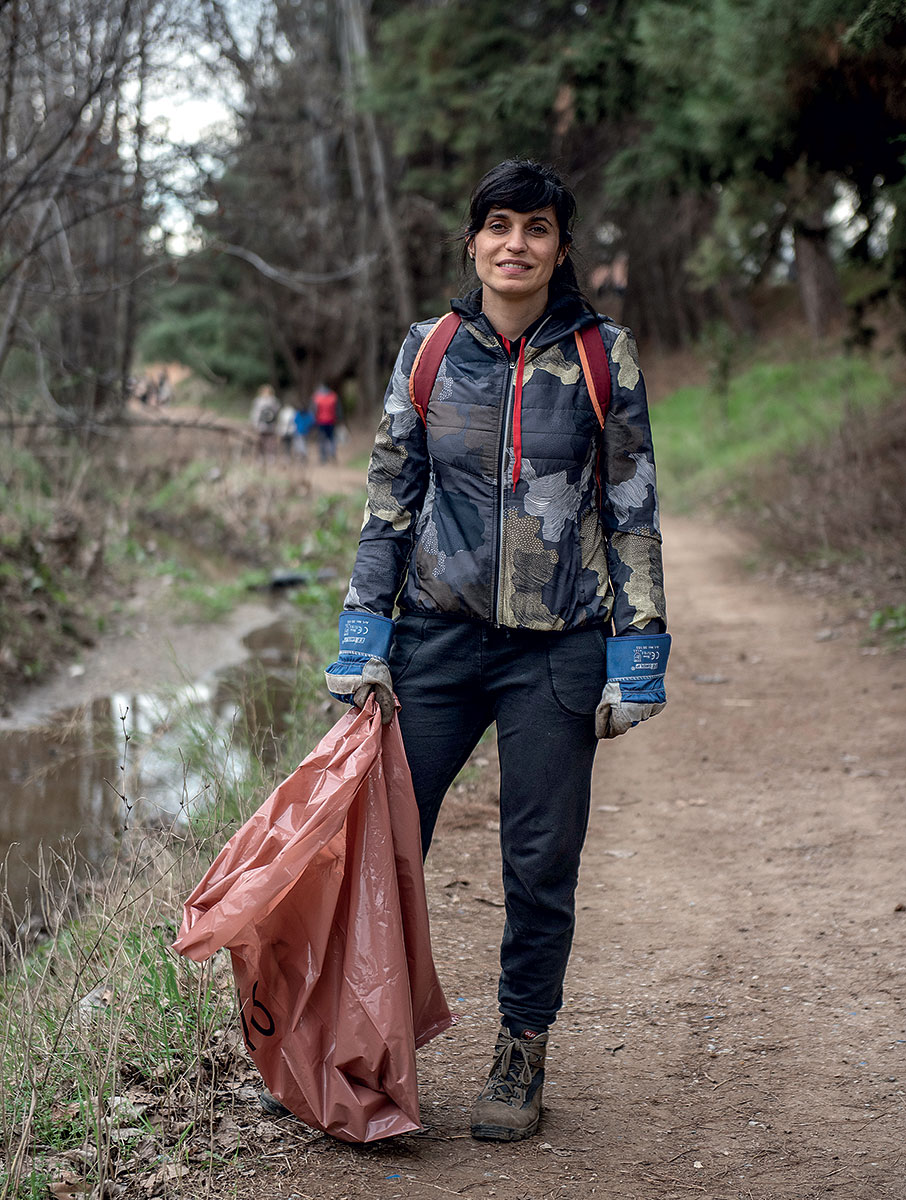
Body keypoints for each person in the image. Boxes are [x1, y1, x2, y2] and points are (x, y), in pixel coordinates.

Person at [324, 159, 670, 1142]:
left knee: (540, 858)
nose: (515, 243)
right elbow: (389, 497)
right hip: (435, 640)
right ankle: (360, 1045)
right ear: (473, 241)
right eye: (499, 226)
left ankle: (521, 1049)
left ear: (561, 249)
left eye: (537, 228)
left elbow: (632, 506)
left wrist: (639, 648)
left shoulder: (604, 355)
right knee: (386, 851)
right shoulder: (429, 351)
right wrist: (364, 639)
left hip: (560, 650)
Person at [312, 382, 340, 462]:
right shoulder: (333, 396)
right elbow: (337, 409)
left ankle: (323, 457)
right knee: (331, 438)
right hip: (331, 421)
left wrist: (314, 421)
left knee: (322, 439)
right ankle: (332, 454)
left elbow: (314, 410)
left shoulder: (317, 397)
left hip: (321, 421)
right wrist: (338, 419)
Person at [250, 384, 279, 458]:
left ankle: (266, 456)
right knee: (265, 441)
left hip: (266, 425)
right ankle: (266, 456)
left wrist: (254, 423)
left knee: (267, 442)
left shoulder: (259, 401)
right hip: (268, 425)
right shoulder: (274, 401)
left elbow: (255, 414)